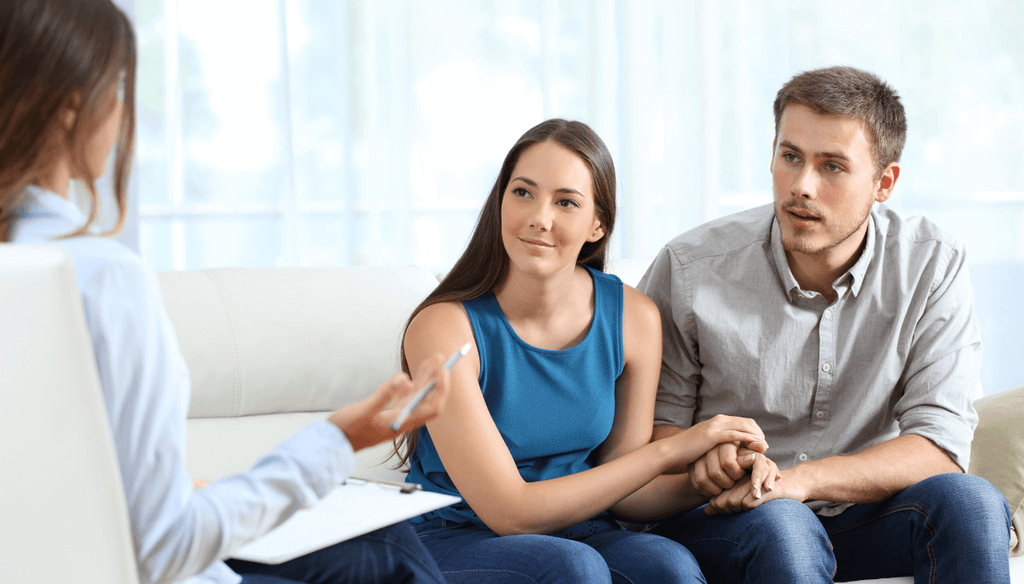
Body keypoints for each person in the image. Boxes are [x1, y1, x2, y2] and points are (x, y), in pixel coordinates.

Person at [0, 1, 451, 583]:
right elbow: (166, 549)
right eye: (113, 86)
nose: (120, 108)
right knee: (387, 557)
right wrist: (342, 438)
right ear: (69, 110)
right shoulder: (99, 278)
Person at [639, 65, 1013, 583]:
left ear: (884, 182)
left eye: (832, 166)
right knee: (784, 523)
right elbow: (651, 437)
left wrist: (801, 480)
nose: (802, 187)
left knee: (972, 502)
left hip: (863, 515)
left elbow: (939, 445)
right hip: (732, 519)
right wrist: (707, 455)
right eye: (790, 157)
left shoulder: (932, 263)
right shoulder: (688, 269)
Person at [396, 118, 772, 584]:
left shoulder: (633, 317)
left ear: (598, 224)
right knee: (574, 569)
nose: (539, 217)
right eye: (522, 193)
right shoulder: (444, 328)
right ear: (500, 203)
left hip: (582, 531)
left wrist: (716, 474)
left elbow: (627, 492)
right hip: (453, 537)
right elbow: (510, 513)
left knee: (668, 566)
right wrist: (671, 450)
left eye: (566, 202)